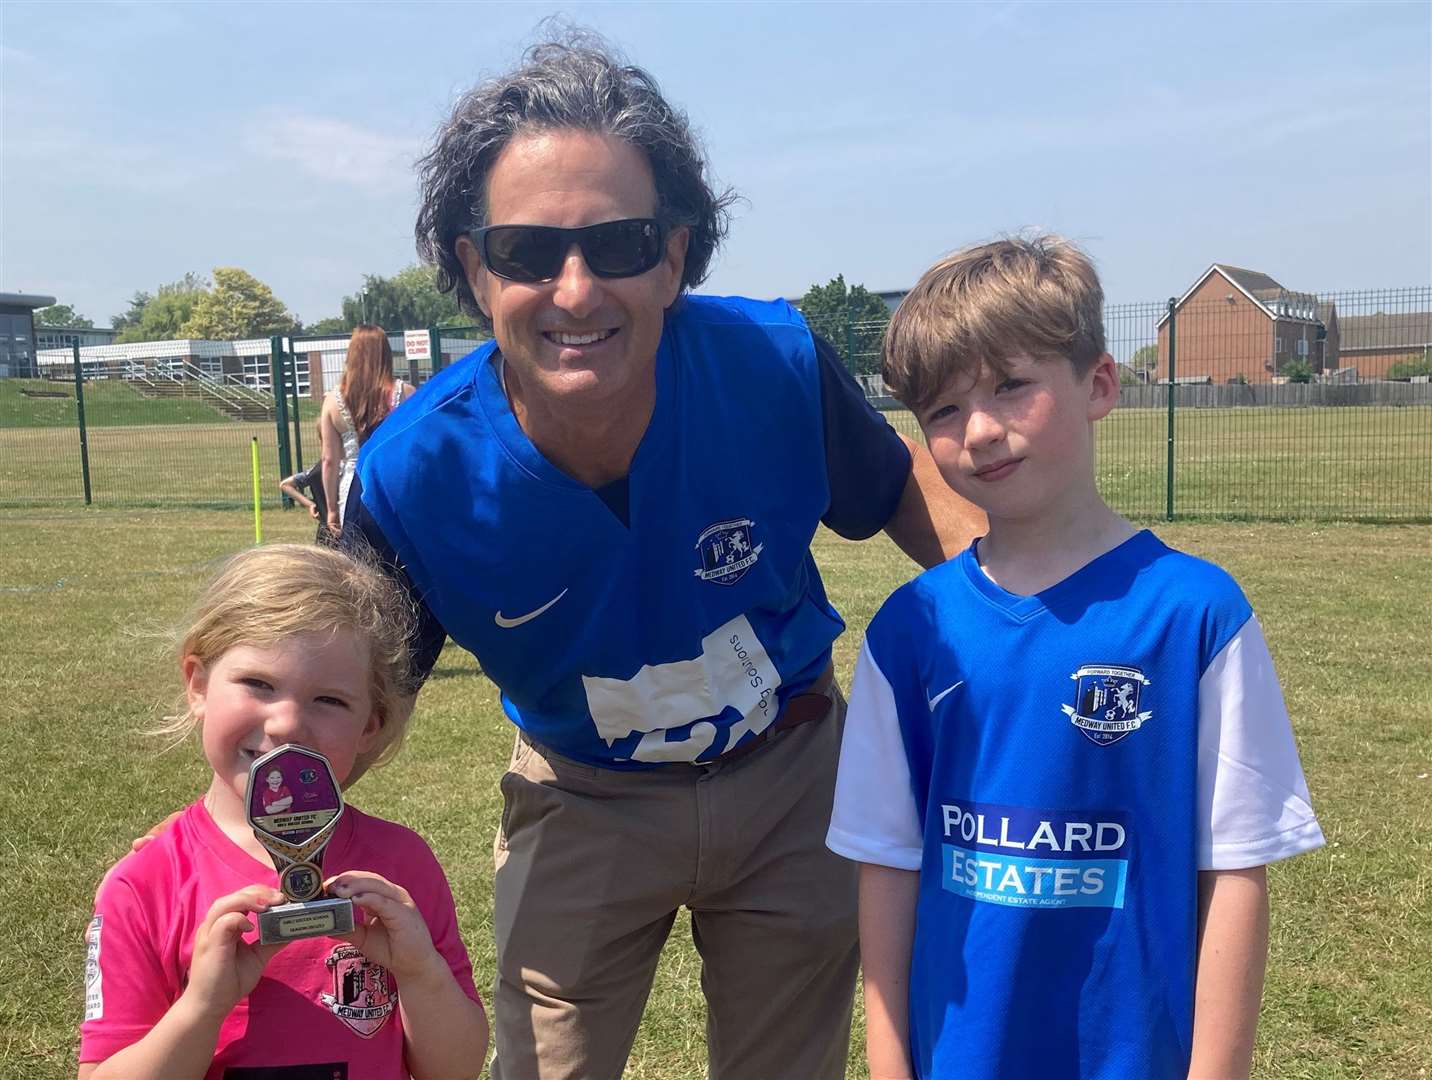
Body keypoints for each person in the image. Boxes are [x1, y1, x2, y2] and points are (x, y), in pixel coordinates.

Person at [340, 32, 982, 1080]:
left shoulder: (768, 362)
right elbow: (348, 690)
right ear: (472, 267)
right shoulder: (416, 474)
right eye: (527, 252)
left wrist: (1037, 626)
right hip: (582, 794)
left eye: (622, 243)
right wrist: (268, 814)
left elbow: (903, 489)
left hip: (789, 768)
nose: (578, 289)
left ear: (676, 255)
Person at [825, 236, 1326, 1080]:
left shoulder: (1197, 616)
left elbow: (1235, 872)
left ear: (1097, 384)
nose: (980, 430)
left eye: (1011, 386)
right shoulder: (910, 631)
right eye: (943, 411)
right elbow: (887, 864)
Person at [79, 544, 488, 1080]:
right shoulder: (144, 884)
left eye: (330, 701)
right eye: (259, 684)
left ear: (371, 723)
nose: (287, 722)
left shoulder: (400, 866)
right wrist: (201, 1007)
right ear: (198, 683)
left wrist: (419, 972)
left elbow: (453, 1069)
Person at [320, 325, 410, 538]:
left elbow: (329, 460)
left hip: (352, 488)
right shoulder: (405, 393)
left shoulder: (333, 401)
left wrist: (331, 509)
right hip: (393, 486)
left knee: (356, 562)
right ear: (385, 354)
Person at [278, 458, 337, 546]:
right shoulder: (352, 469)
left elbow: (285, 485)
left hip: (326, 536)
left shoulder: (315, 471)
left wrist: (310, 505)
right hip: (349, 532)